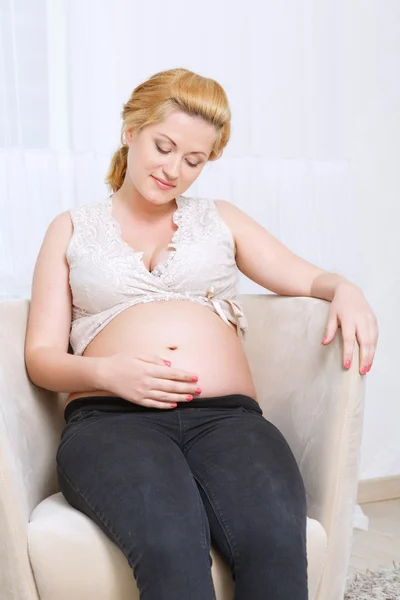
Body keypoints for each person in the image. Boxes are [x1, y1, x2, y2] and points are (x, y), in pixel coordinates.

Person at [24, 67, 378, 600]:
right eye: (163, 147)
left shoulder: (220, 219)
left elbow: (308, 277)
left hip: (228, 421)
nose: (173, 170)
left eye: (194, 161)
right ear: (130, 131)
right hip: (111, 423)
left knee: (274, 544)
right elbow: (40, 357)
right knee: (170, 544)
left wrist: (344, 288)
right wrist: (105, 372)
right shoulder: (71, 228)